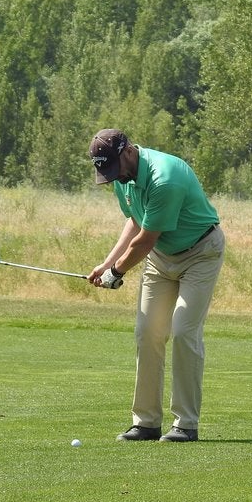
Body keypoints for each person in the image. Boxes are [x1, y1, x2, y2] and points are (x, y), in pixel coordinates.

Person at [87, 129, 225, 443]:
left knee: (183, 330)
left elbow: (146, 239)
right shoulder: (123, 180)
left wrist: (117, 272)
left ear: (128, 152)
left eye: (113, 168)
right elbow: (135, 222)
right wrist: (108, 264)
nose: (113, 178)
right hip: (161, 259)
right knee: (147, 332)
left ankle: (185, 424)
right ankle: (146, 423)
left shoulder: (165, 177)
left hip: (200, 253)